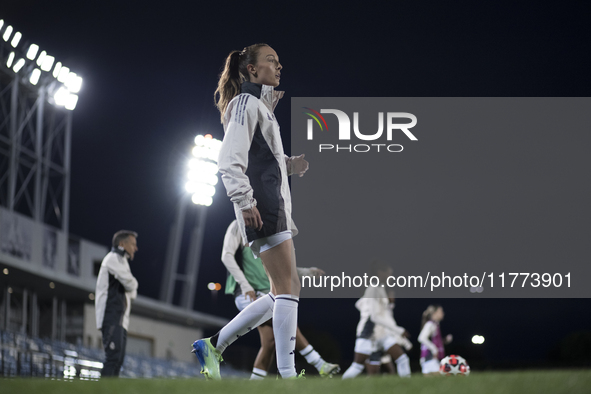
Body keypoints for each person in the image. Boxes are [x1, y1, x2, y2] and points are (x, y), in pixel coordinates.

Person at [192, 43, 309, 380]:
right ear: (252, 70)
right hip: (264, 206)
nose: (279, 65)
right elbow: (229, 159)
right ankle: (287, 377)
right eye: (271, 60)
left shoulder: (259, 105)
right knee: (287, 290)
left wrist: (290, 165)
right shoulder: (245, 102)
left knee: (284, 289)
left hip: (272, 204)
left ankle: (214, 344)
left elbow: (264, 160)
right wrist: (245, 202)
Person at [221, 220, 340, 379]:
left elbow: (280, 266)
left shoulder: (267, 228)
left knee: (269, 342)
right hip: (249, 292)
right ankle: (318, 364)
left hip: (268, 293)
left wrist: (307, 272)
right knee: (287, 321)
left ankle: (254, 385)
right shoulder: (239, 224)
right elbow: (226, 255)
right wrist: (245, 285)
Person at [342, 262, 412, 379]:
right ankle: (340, 387)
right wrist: (398, 330)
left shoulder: (379, 288)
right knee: (358, 367)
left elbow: (361, 305)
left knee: (402, 359)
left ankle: (408, 387)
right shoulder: (373, 288)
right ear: (380, 273)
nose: (391, 277)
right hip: (368, 333)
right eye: (389, 274)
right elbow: (374, 317)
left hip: (381, 334)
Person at [95, 230, 139, 377]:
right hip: (111, 316)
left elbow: (132, 292)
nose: (135, 248)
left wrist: (131, 283)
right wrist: (132, 283)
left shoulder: (123, 261)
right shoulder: (113, 258)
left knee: (118, 361)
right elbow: (131, 285)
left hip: (120, 319)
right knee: (113, 359)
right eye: (133, 244)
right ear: (122, 244)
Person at [418, 304, 453, 376]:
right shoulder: (430, 324)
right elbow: (421, 338)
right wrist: (434, 349)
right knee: (446, 376)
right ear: (434, 313)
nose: (443, 313)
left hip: (433, 359)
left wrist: (444, 341)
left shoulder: (435, 325)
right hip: (429, 358)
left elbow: (434, 341)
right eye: (441, 311)